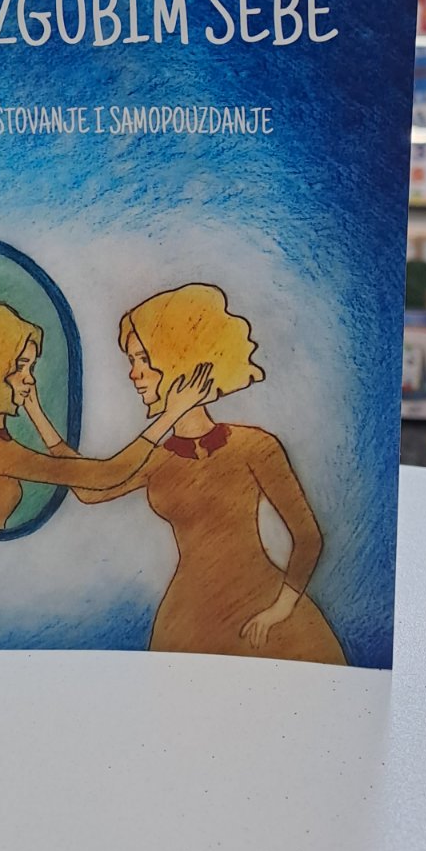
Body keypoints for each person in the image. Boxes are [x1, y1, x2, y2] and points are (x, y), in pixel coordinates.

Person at [67, 283, 346, 665]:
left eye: (143, 360)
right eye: (131, 361)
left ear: (177, 358)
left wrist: (281, 609)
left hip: (263, 613)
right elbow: (89, 491)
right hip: (187, 620)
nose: (133, 374)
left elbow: (308, 537)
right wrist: (39, 415)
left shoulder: (255, 446)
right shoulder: (156, 459)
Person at [0, 299, 212, 531]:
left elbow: (87, 488)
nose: (29, 378)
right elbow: (105, 476)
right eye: (20, 366)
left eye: (30, 367)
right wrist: (171, 414)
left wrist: (36, 413)